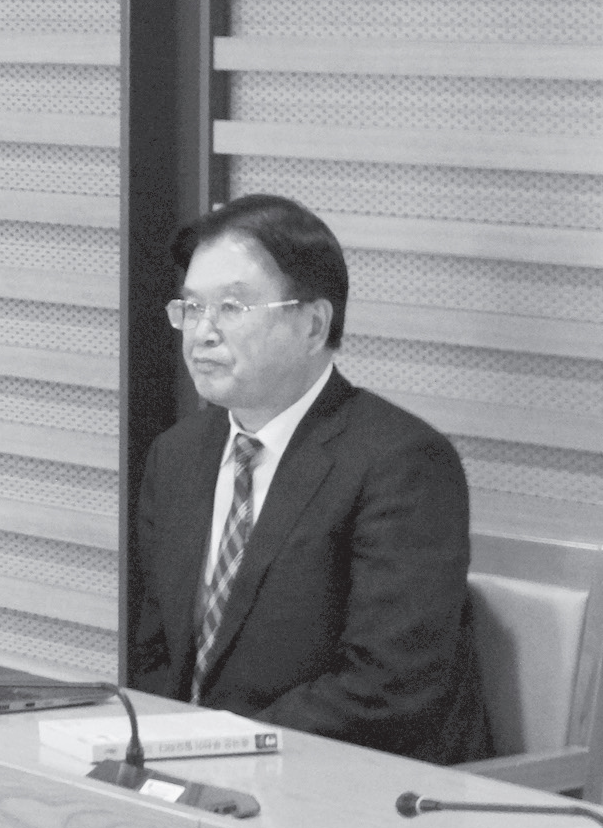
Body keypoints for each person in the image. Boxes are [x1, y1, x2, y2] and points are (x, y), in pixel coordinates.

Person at [129, 193, 490, 764]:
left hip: (344, 779)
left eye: (232, 308)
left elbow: (389, 685)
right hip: (193, 772)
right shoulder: (177, 457)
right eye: (191, 308)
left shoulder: (401, 463)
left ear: (314, 324)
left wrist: (223, 748)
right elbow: (156, 656)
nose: (202, 333)